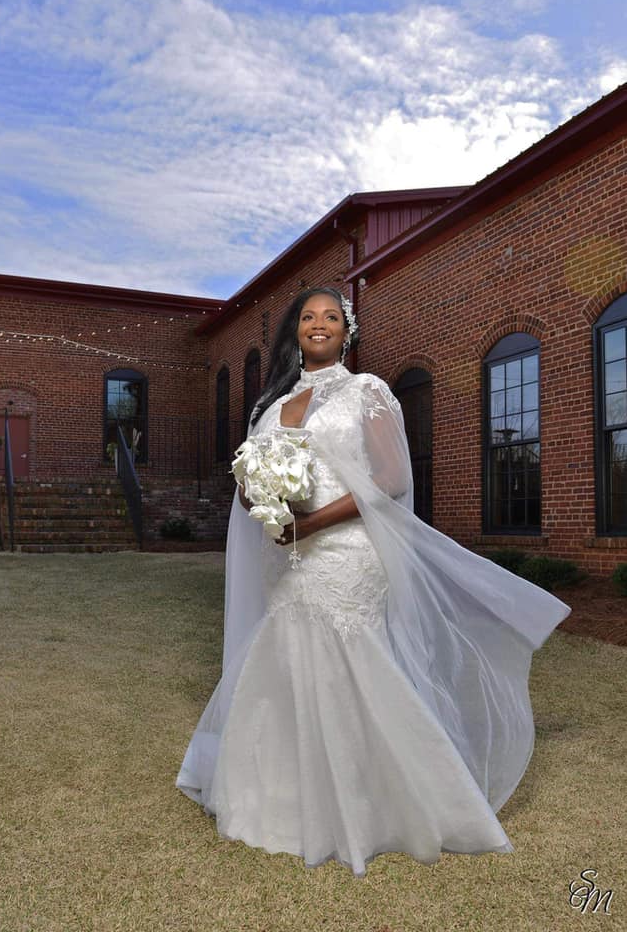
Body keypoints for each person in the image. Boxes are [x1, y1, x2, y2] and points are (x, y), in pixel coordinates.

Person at [176, 287, 571, 878]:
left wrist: (308, 522)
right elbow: (247, 482)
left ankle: (389, 802)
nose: (318, 325)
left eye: (331, 317)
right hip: (285, 556)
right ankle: (283, 804)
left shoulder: (368, 392)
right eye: (307, 317)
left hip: (346, 553)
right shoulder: (269, 405)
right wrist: (265, 501)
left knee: (351, 659)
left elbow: (386, 481)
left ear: (347, 331)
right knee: (285, 658)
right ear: (294, 332)